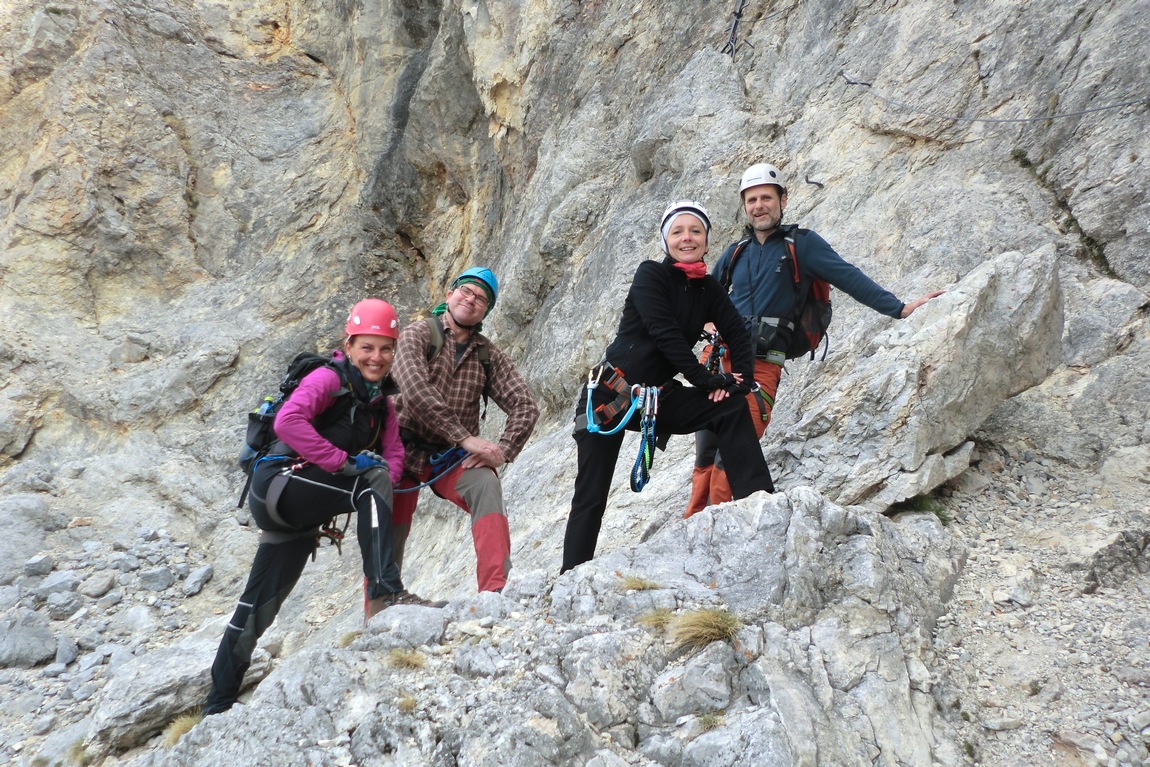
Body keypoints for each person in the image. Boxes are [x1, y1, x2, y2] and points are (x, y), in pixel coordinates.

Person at [203, 299, 429, 716]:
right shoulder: (328, 378)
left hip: (297, 504)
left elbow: (394, 454)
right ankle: (386, 589)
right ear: (349, 344)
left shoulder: (381, 402)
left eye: (386, 349)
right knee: (371, 477)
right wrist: (345, 464)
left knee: (259, 606)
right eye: (367, 347)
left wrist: (381, 475)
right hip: (278, 486)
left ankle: (217, 704)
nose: (377, 357)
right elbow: (288, 421)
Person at [685, 163, 944, 517]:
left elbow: (848, 276)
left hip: (760, 369)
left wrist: (899, 309)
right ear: (744, 206)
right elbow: (700, 300)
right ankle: (693, 526)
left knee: (732, 452)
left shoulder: (802, 246)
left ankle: (711, 530)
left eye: (766, 198)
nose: (759, 206)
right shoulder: (735, 253)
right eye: (751, 200)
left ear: (783, 200)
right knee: (705, 454)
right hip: (716, 364)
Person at [562, 200, 775, 573]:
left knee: (729, 407)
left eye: (695, 231)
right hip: (609, 395)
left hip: (655, 398)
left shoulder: (708, 288)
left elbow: (738, 333)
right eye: (677, 232)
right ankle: (571, 576)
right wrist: (706, 380)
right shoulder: (651, 275)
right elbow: (666, 336)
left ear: (706, 241)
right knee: (591, 495)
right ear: (666, 241)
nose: (687, 238)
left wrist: (738, 382)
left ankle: (761, 505)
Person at [390, 267, 539, 594]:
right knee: (391, 524)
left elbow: (525, 405)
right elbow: (414, 390)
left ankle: (494, 591)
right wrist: (465, 437)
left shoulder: (487, 355)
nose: (471, 300)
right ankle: (381, 602)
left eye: (481, 299)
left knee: (485, 484)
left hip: (448, 457)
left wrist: (503, 451)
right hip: (400, 448)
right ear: (450, 295)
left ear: (485, 312)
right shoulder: (418, 334)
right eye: (466, 291)